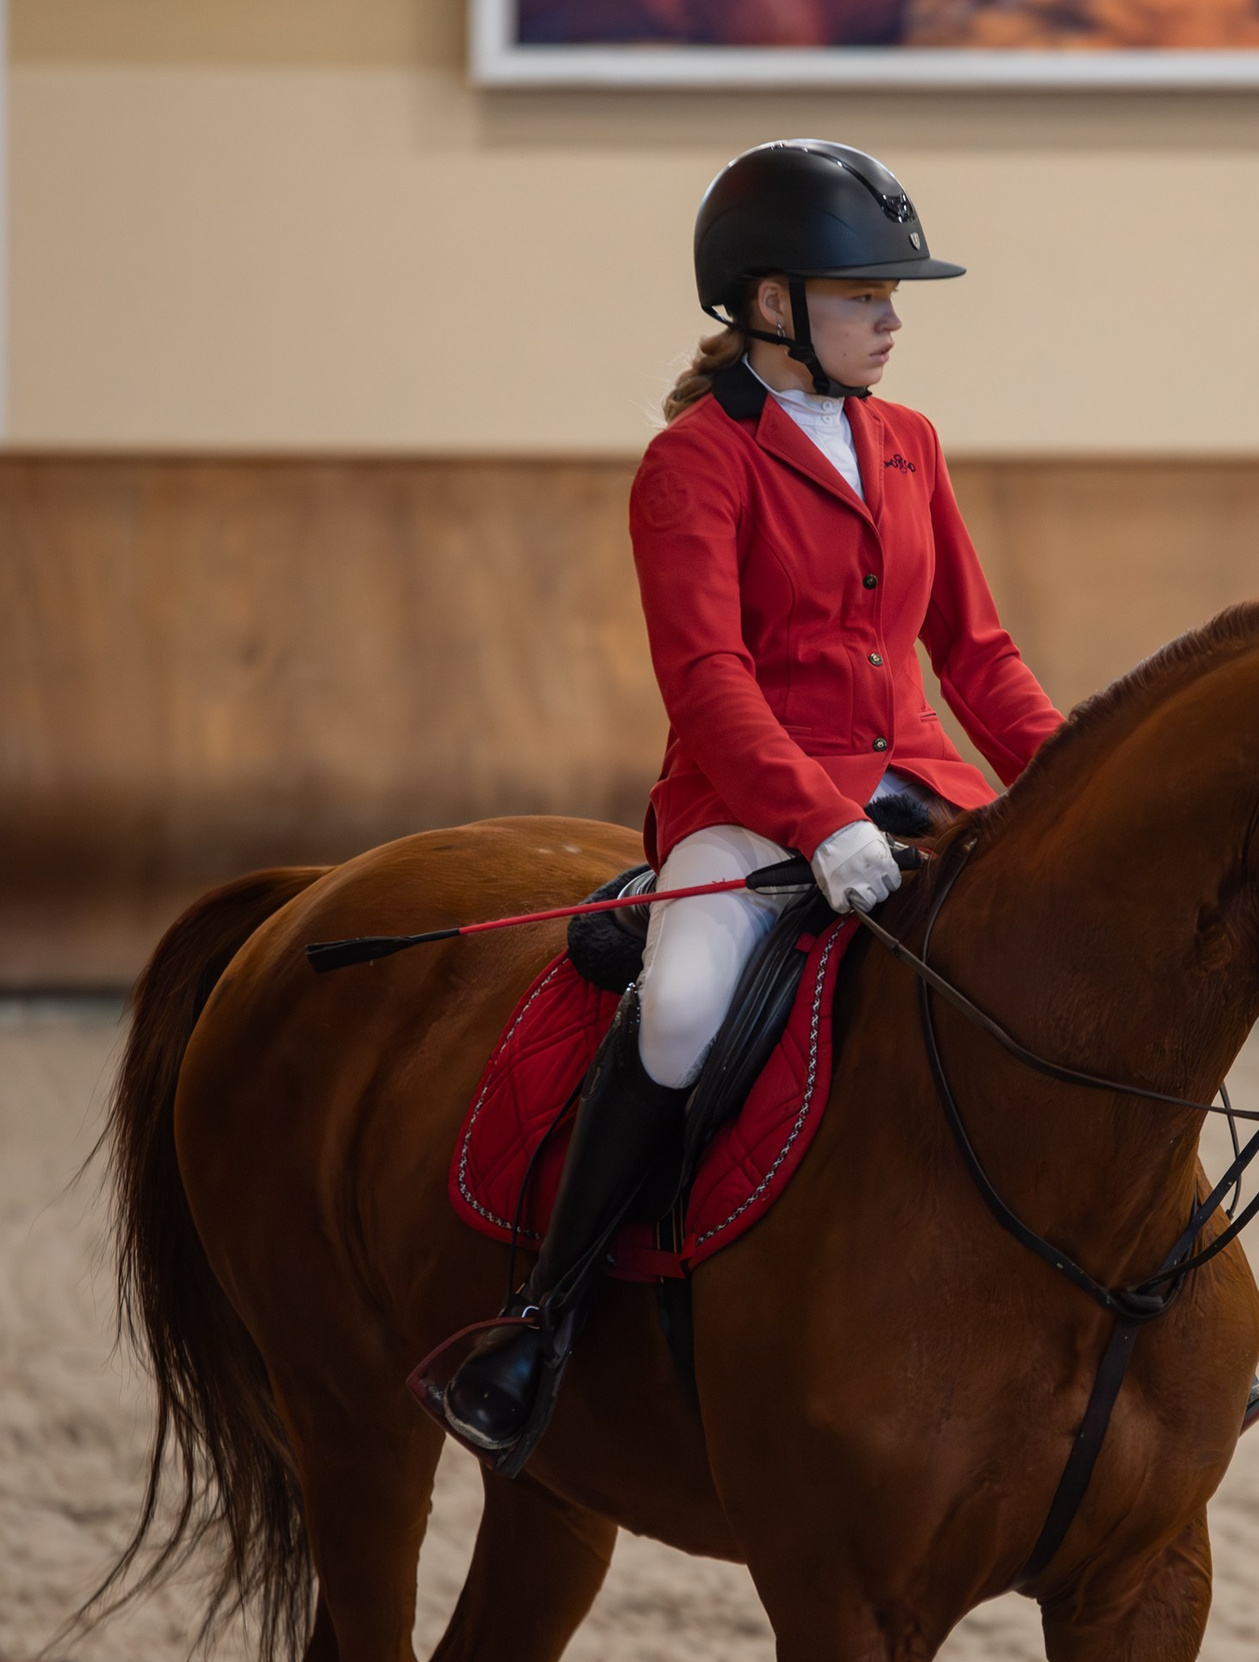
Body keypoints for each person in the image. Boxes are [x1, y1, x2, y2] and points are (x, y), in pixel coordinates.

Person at [439, 139, 1065, 1458]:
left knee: (1064, 973)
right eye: (864, 296)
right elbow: (710, 680)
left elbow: (978, 655)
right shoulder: (695, 463)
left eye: (897, 298)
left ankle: (1140, 1293)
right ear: (772, 305)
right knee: (674, 1012)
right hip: (749, 803)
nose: (894, 320)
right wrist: (820, 819)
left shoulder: (909, 443)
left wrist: (1074, 785)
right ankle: (547, 1319)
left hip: (924, 790)